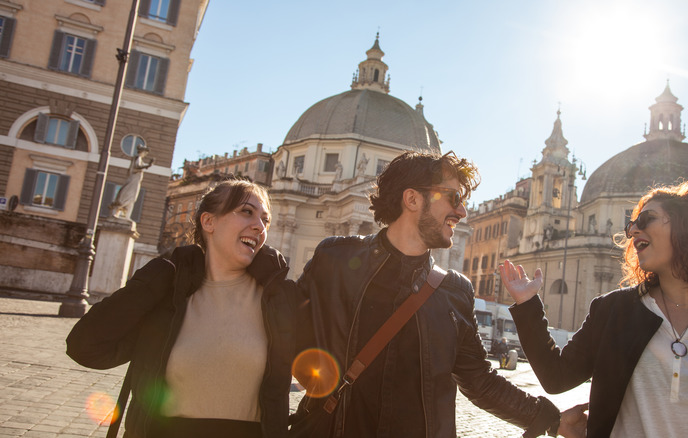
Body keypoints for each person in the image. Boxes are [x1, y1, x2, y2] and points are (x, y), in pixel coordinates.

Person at [290, 151, 587, 438]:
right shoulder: (335, 259)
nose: (462, 212)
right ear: (412, 199)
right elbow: (283, 336)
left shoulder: (456, 291)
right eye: (454, 198)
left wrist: (553, 420)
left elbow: (479, 380)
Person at [500, 181, 688, 438]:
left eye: (646, 220)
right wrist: (528, 306)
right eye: (631, 223)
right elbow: (556, 376)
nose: (633, 230)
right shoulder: (612, 310)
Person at [67, 179, 300, 438]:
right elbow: (85, 348)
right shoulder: (169, 292)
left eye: (265, 220)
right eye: (246, 211)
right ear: (209, 222)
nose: (259, 226)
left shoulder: (278, 299)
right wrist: (149, 283)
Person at [110, 144, 154, 220]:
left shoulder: (140, 159)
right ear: (142, 151)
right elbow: (137, 167)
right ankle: (116, 212)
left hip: (136, 182)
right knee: (126, 197)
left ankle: (127, 216)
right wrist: (148, 165)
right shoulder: (137, 157)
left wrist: (148, 165)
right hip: (132, 181)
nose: (145, 154)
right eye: (145, 152)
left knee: (132, 198)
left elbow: (141, 166)